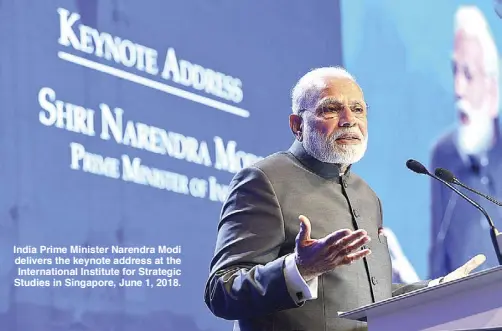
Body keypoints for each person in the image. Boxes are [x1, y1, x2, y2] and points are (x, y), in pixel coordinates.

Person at [205, 66, 485, 331]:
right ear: (296, 125)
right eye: (331, 109)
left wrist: (438, 289)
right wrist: (300, 269)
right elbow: (221, 290)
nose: (349, 120)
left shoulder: (367, 195)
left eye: (358, 109)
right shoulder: (263, 180)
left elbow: (374, 294)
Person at [429, 6, 502, 279]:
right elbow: (437, 255)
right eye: (455, 71)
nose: (458, 89)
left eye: (469, 75)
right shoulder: (443, 154)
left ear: (492, 89)